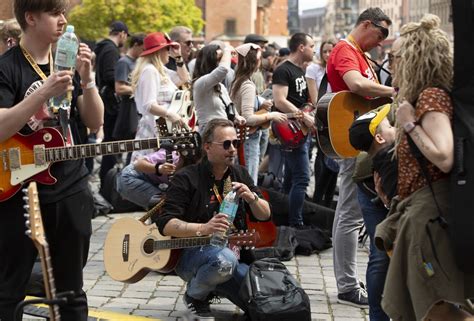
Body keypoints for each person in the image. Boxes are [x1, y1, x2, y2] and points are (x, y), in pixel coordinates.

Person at [0, 0, 104, 320]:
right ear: (31, 18)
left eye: (64, 14)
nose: (63, 20)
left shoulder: (66, 60)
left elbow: (93, 122)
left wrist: (87, 80)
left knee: (71, 287)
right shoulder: (7, 66)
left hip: (70, 184)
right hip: (19, 189)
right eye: (55, 14)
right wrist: (43, 93)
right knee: (9, 286)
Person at [374, 14, 474, 321]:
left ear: (414, 58)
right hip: (419, 211)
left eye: (394, 57)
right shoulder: (421, 97)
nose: (390, 63)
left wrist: (409, 124)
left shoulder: (431, 97)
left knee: (436, 308)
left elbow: (444, 156)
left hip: (430, 216)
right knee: (428, 307)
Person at [155, 118, 271, 317]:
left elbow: (265, 213)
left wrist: (252, 199)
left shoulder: (239, 174)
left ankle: (211, 288)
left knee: (260, 304)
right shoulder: (187, 177)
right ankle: (195, 295)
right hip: (190, 255)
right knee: (224, 262)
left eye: (236, 143)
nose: (233, 149)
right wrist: (205, 228)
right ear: (207, 147)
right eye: (226, 144)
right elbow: (166, 224)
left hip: (233, 254)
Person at [326, 7, 394, 315]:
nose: (380, 43)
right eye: (380, 35)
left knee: (348, 213)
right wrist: (394, 91)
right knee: (350, 215)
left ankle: (348, 282)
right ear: (366, 24)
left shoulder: (357, 52)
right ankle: (348, 285)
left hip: (362, 139)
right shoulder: (346, 50)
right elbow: (356, 85)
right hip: (356, 140)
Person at [272, 32, 315, 228]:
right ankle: (296, 223)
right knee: (302, 178)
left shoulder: (300, 71)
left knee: (289, 179)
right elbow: (279, 100)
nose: (314, 50)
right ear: (301, 47)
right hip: (290, 130)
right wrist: (302, 115)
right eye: (312, 46)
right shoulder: (283, 70)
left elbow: (303, 100)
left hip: (301, 131)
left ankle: (283, 220)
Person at [230, 42, 286, 184]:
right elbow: (248, 118)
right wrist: (272, 115)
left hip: (244, 138)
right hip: (249, 139)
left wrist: (259, 101)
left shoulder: (239, 81)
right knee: (249, 182)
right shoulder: (247, 84)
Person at [130, 31, 189, 161]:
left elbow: (184, 79)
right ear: (159, 51)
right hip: (154, 128)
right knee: (152, 169)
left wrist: (178, 57)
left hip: (161, 128)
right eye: (167, 48)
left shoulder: (160, 70)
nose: (169, 51)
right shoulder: (150, 70)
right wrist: (170, 114)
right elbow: (148, 104)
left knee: (160, 169)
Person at [94, 20, 129, 188]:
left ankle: (106, 183)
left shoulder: (104, 48)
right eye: (126, 36)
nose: (125, 40)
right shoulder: (110, 49)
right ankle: (107, 185)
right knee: (111, 146)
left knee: (111, 145)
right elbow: (109, 76)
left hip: (106, 102)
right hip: (110, 105)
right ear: (121, 33)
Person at [306, 40, 337, 207]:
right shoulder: (313, 69)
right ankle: (318, 198)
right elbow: (314, 97)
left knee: (334, 157)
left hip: (337, 115)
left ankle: (328, 199)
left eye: (331, 51)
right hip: (322, 115)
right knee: (322, 154)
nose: (327, 55)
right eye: (324, 51)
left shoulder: (339, 68)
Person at [192, 43, 244, 134]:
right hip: (209, 133)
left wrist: (237, 117)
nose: (224, 60)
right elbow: (223, 69)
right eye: (220, 58)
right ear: (209, 61)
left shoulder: (220, 86)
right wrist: (227, 50)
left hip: (223, 132)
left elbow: (229, 106)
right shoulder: (200, 83)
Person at [117, 149, 186, 209]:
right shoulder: (170, 155)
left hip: (153, 182)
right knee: (166, 205)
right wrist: (159, 168)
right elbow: (138, 163)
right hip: (131, 176)